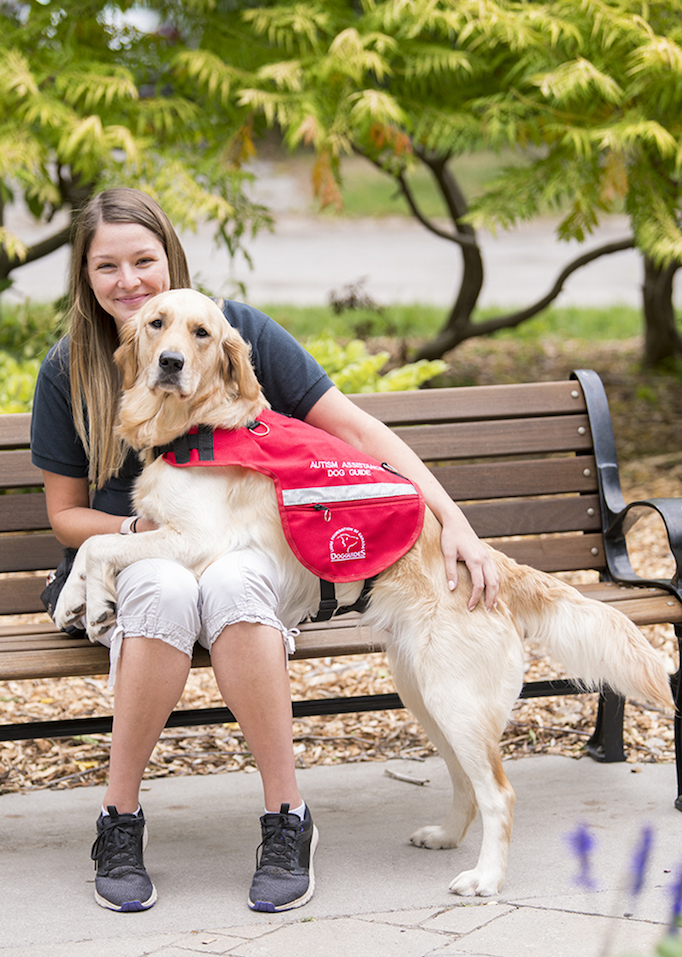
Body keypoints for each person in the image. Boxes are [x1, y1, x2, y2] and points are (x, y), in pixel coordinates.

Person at [30, 187, 499, 915]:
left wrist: (454, 520)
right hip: (135, 560)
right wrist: (132, 539)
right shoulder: (72, 367)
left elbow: (358, 433)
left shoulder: (233, 330)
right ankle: (118, 820)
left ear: (170, 260)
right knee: (165, 586)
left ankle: (288, 817)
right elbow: (65, 518)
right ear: (85, 278)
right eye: (107, 267)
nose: (128, 281)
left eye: (144, 261)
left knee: (233, 582)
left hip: (245, 553)